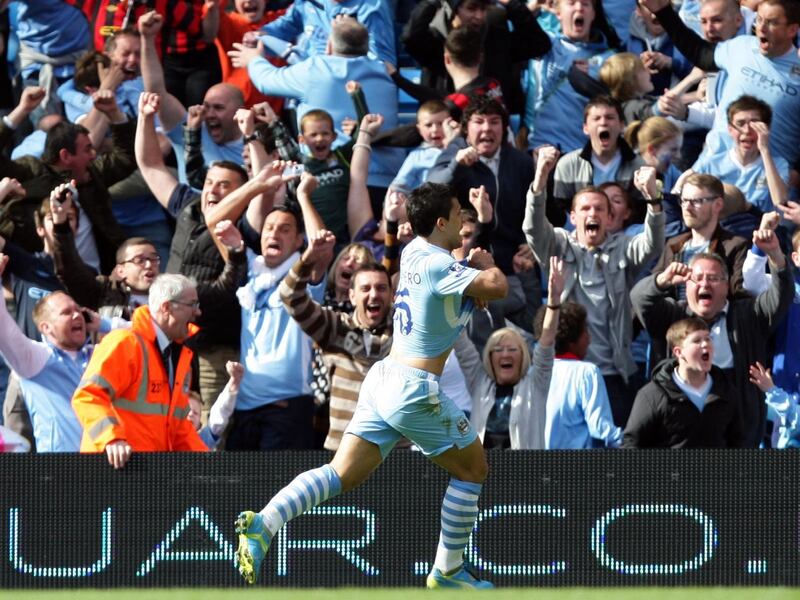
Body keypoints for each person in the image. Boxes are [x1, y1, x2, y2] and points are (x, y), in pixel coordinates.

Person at [234, 182, 507, 588]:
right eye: (458, 214)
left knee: (341, 473)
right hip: (415, 388)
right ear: (441, 221)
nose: (464, 225)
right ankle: (448, 571)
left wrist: (469, 269)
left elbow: (453, 283)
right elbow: (498, 286)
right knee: (473, 469)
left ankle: (266, 522)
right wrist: (484, 264)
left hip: (384, 379)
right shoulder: (437, 264)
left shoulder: (416, 252)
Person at [525, 148, 665, 426]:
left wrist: (653, 199)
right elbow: (533, 228)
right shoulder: (558, 244)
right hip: (566, 369)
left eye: (600, 209)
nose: (593, 213)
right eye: (585, 208)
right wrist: (541, 177)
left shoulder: (623, 248)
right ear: (573, 217)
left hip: (614, 374)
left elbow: (652, 244)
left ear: (610, 218)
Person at [631, 242, 794, 447]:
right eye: (697, 278)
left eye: (713, 278)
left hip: (739, 431)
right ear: (686, 285)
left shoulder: (749, 314)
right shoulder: (673, 315)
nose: (705, 284)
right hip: (682, 432)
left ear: (727, 286)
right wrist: (661, 280)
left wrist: (776, 255)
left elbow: (782, 295)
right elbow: (639, 299)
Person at [230, 15, 404, 191]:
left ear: (328, 46)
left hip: (336, 180)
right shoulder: (384, 71)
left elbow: (266, 81)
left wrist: (253, 60)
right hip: (387, 183)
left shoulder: (315, 70)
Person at [72, 274, 209, 469]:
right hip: (112, 471)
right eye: (192, 304)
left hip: (145, 474)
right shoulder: (125, 343)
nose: (198, 312)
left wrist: (207, 464)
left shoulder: (174, 355)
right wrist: (112, 439)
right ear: (167, 307)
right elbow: (88, 396)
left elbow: (178, 426)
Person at [640, 0, 800, 166]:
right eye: (759, 20)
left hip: (766, 178)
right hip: (713, 166)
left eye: (772, 22)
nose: (762, 28)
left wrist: (796, 173)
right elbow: (699, 52)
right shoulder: (741, 46)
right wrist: (663, 11)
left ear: (792, 29)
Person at [0, 87, 131, 274]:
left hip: (96, 280)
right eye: (87, 149)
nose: (94, 155)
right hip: (41, 277)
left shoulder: (92, 174)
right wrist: (22, 109)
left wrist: (114, 113)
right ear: (66, 155)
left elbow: (125, 158)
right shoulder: (31, 171)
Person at [280, 237, 393, 450]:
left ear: (391, 294)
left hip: (394, 451)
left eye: (381, 288)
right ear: (352, 295)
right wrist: (308, 259)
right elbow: (289, 296)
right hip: (341, 450)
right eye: (366, 288)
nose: (374, 294)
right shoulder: (335, 327)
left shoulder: (405, 331)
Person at [452, 256, 564, 449]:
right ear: (489, 357)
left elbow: (546, 342)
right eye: (498, 349)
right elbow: (459, 338)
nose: (505, 354)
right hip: (483, 473)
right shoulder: (479, 381)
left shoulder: (536, 383)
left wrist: (553, 303)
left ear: (523, 357)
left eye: (512, 349)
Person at [0, 253, 105, 452]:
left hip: (109, 465)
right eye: (66, 313)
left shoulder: (99, 355)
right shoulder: (34, 359)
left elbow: (143, 337)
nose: (77, 315)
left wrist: (104, 324)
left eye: (78, 310)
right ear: (46, 328)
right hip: (59, 471)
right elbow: (3, 329)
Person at [139, 11, 244, 184]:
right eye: (206, 106)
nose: (209, 114)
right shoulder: (191, 130)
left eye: (218, 108)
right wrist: (147, 39)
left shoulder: (255, 148)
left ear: (239, 112)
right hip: (190, 209)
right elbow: (156, 92)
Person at [401, 0, 550, 115]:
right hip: (443, 132)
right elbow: (410, 37)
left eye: (483, 9)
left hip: (491, 136)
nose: (479, 16)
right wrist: (433, 2)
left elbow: (539, 45)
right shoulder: (435, 41)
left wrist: (512, 4)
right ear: (453, 10)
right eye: (471, 8)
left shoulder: (496, 38)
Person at [623, 317, 742, 447]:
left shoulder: (725, 389)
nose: (705, 344)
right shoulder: (652, 395)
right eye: (697, 341)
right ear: (678, 352)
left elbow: (738, 440)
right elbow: (632, 443)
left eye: (708, 338)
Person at [523, 0, 616, 152]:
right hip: (541, 149)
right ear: (558, 13)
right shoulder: (544, 45)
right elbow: (507, 37)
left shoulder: (609, 59)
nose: (579, 7)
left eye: (585, 4)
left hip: (581, 155)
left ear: (593, 14)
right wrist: (533, 7)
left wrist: (594, 77)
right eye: (571, 3)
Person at [550, 96, 644, 227]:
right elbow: (560, 211)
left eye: (610, 117)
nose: (603, 123)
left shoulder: (639, 167)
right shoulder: (567, 165)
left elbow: (642, 215)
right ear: (585, 128)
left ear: (622, 126)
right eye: (596, 118)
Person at [652, 172, 749, 297]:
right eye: (684, 200)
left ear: (718, 205)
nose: (687, 207)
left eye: (696, 201)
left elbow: (739, 295)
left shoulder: (735, 246)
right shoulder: (673, 244)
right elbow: (651, 290)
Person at [542, 301, 622, 448]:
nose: (589, 339)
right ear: (571, 339)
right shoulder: (587, 372)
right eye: (586, 332)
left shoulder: (532, 372)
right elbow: (600, 428)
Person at [692, 95, 790, 213]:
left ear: (765, 129)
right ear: (730, 129)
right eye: (740, 123)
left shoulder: (778, 165)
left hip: (758, 227)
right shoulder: (710, 164)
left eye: (755, 124)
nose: (747, 130)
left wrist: (764, 150)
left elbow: (780, 202)